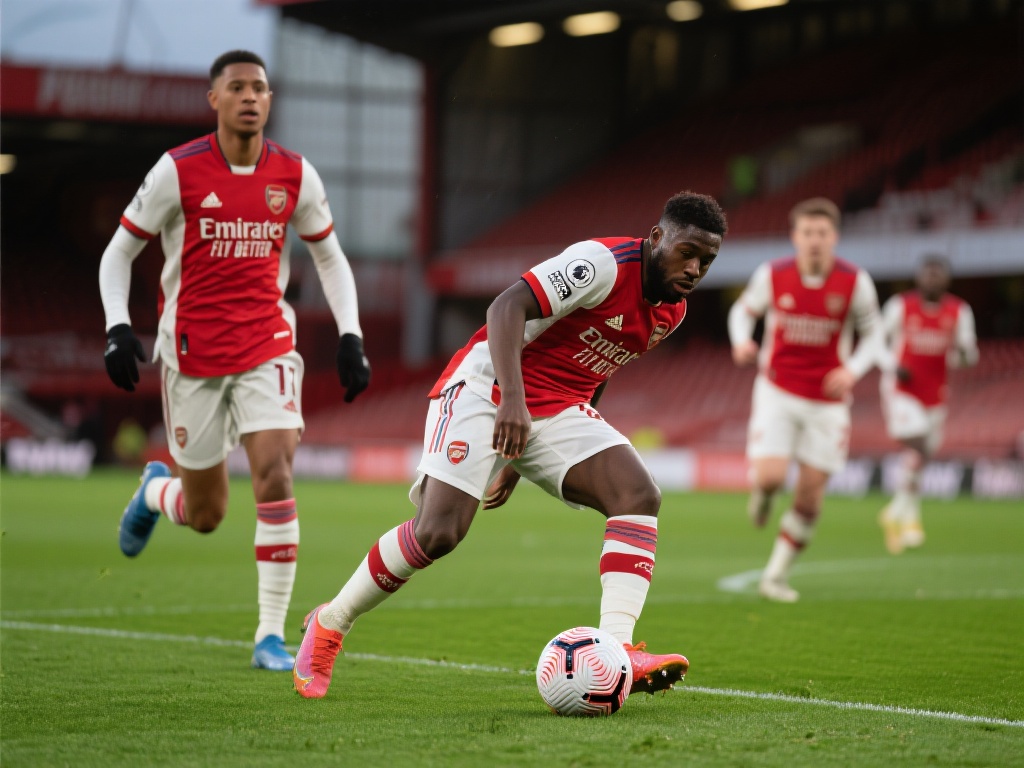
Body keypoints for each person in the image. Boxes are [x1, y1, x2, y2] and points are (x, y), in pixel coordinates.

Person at [291, 191, 728, 699]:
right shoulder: (602, 264)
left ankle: (619, 647)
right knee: (438, 532)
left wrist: (519, 462)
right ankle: (330, 622)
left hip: (558, 405)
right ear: (657, 237)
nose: (695, 268)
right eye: (687, 252)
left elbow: (598, 368)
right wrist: (512, 403)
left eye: (706, 261)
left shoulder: (671, 312)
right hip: (486, 387)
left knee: (638, 494)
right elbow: (506, 306)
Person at [98, 50, 371, 671]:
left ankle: (269, 636)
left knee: (275, 472)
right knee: (207, 514)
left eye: (261, 88)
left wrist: (351, 335)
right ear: (214, 100)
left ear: (270, 100)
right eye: (238, 87)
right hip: (191, 355)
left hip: (266, 346)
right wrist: (117, 327)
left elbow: (329, 257)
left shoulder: (295, 174)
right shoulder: (177, 170)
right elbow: (118, 253)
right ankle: (155, 494)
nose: (251, 96)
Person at [728, 197, 885, 603]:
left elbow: (875, 336)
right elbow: (743, 312)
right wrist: (742, 341)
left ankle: (775, 576)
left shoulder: (855, 281)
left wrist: (851, 371)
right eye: (808, 232)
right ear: (795, 236)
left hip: (828, 403)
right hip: (777, 391)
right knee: (771, 478)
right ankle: (763, 494)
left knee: (810, 497)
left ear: (834, 237)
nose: (815, 240)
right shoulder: (773, 274)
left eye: (822, 233)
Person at [878, 255, 978, 554]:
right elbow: (877, 341)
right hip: (901, 390)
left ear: (946, 279)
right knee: (919, 444)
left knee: (919, 457)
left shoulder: (959, 311)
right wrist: (892, 365)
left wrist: (964, 352)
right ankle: (903, 513)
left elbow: (967, 357)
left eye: (938, 274)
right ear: (918, 277)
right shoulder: (900, 306)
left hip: (935, 394)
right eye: (928, 273)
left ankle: (903, 515)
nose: (932, 279)